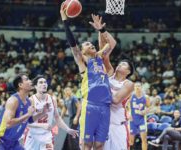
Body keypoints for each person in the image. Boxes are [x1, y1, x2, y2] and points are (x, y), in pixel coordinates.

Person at [60, 3, 116, 150]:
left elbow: (112, 42)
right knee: (86, 144)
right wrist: (65, 21)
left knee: (99, 145)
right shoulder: (83, 64)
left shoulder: (100, 56)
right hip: (90, 104)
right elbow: (72, 44)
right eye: (86, 44)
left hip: (105, 106)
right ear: (83, 52)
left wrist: (102, 29)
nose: (89, 44)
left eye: (90, 43)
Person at [23, 75, 78, 150]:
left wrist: (68, 129)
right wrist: (41, 125)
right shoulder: (31, 100)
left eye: (45, 82)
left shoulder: (52, 99)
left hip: (46, 136)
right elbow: (26, 123)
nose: (44, 84)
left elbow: (57, 118)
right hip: (33, 136)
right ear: (35, 86)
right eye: (41, 82)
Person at [0, 74, 47, 150]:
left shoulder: (29, 102)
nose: (30, 81)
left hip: (14, 143)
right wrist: (28, 114)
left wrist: (42, 112)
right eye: (27, 79)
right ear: (20, 85)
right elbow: (9, 123)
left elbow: (30, 120)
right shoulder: (13, 100)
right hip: (0, 140)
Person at [103, 58, 134, 150]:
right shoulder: (108, 77)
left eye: (123, 64)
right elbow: (105, 57)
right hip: (102, 124)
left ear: (128, 72)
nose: (120, 64)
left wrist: (101, 88)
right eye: (120, 63)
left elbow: (115, 100)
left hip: (117, 126)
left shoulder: (128, 84)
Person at [129, 82, 150, 150]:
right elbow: (125, 106)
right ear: (134, 88)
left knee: (144, 140)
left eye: (139, 86)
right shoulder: (131, 96)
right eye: (136, 86)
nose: (137, 87)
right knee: (130, 141)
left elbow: (148, 107)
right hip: (132, 121)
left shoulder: (146, 97)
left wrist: (145, 111)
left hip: (141, 121)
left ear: (141, 87)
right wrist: (128, 113)